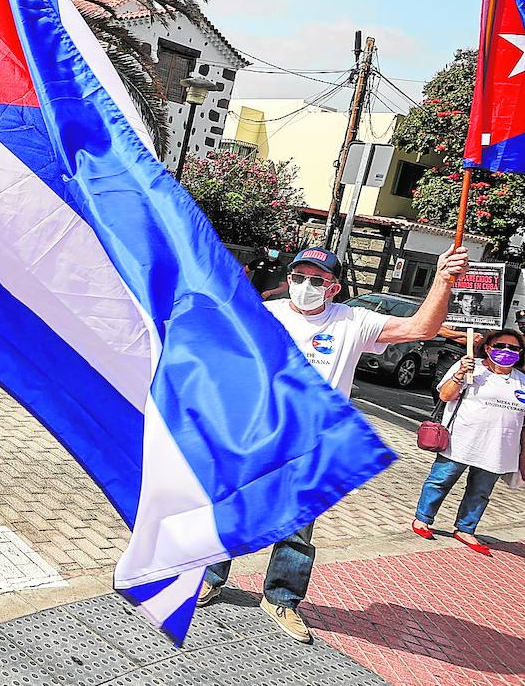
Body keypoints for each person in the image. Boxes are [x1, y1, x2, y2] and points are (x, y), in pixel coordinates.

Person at [198, 244, 468, 644]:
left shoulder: (352, 322)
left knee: (299, 528)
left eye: (317, 280)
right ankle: (210, 578)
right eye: (298, 277)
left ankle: (282, 600)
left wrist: (443, 280)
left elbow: (421, 330)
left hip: (315, 442)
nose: (305, 286)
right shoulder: (265, 315)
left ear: (333, 288)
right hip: (259, 434)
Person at [412, 328, 525, 554]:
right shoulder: (473, 368)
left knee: (481, 491)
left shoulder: (521, 381)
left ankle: (466, 528)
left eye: (513, 348)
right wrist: (460, 373)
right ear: (488, 347)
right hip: (462, 439)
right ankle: (423, 519)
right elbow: (445, 395)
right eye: (501, 346)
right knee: (441, 480)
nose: (506, 351)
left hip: (499, 447)